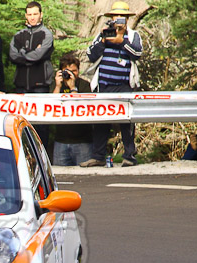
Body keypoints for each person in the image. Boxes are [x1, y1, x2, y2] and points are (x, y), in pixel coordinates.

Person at [79, 1, 143, 168]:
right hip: (104, 84)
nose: (119, 19)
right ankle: (98, 156)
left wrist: (121, 41)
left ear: (127, 19)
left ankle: (129, 156)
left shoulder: (133, 35)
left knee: (127, 120)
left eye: (122, 16)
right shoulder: (104, 33)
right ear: (112, 17)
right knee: (101, 120)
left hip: (124, 85)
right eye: (116, 16)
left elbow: (137, 53)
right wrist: (103, 39)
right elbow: (90, 55)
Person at [10, 1, 53, 147]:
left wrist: (23, 54)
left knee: (41, 125)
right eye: (29, 14)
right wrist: (31, 54)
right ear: (26, 16)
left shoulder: (46, 34)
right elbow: (13, 55)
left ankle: (42, 154)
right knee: (20, 124)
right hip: (21, 85)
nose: (32, 17)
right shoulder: (18, 35)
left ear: (41, 15)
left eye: (35, 14)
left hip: (40, 85)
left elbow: (39, 56)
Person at [51, 53, 93, 166]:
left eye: (74, 71)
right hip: (61, 140)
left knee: (85, 174)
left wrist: (73, 88)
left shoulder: (84, 85)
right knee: (60, 174)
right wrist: (58, 86)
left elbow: (81, 107)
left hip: (83, 140)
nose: (71, 74)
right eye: (67, 71)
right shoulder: (56, 85)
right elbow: (51, 106)